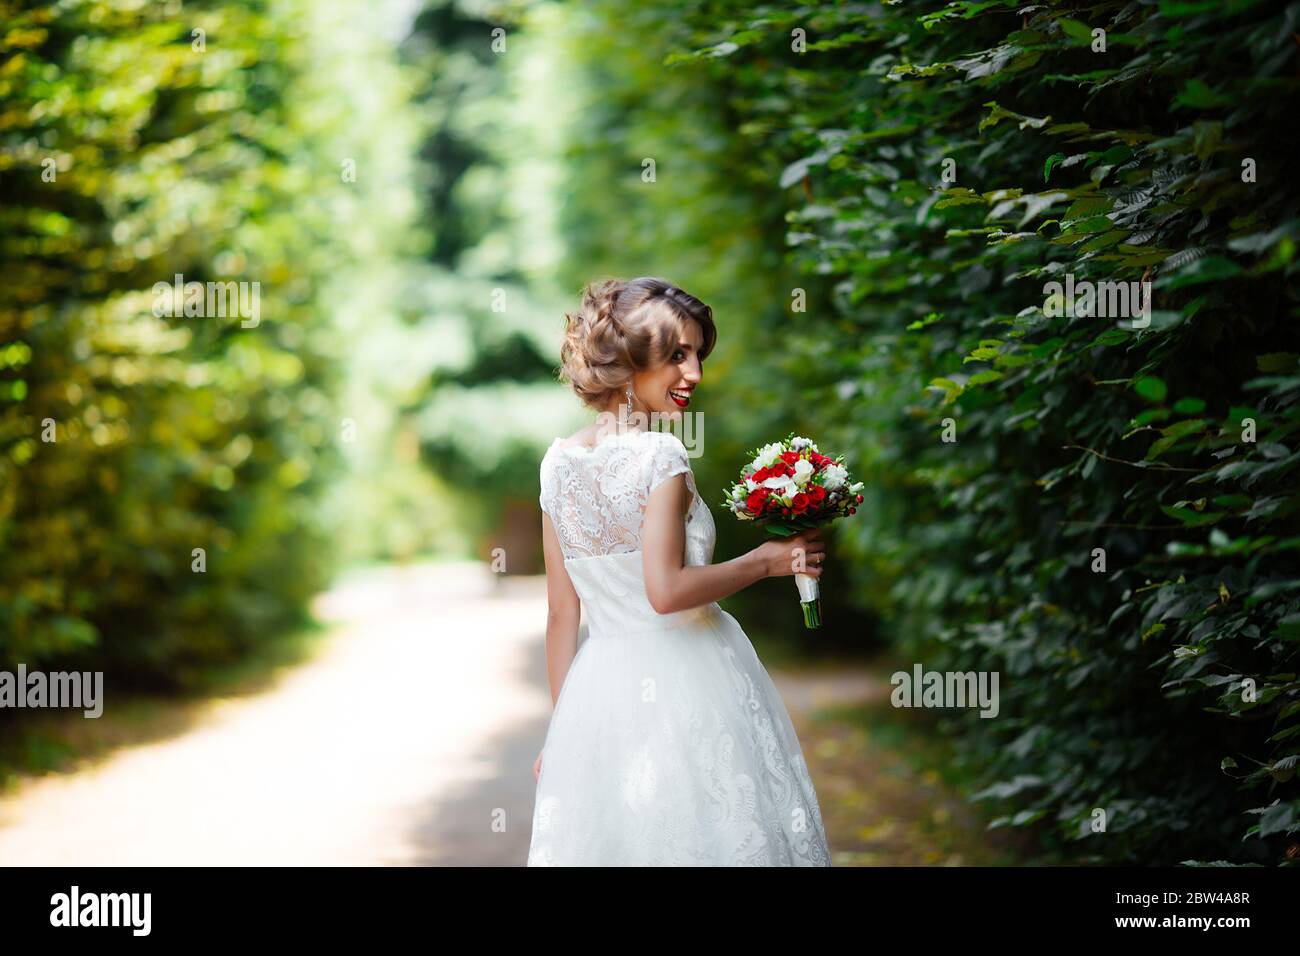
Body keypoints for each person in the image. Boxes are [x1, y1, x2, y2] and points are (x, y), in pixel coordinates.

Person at [527, 276, 832, 866]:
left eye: (697, 354)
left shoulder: (556, 465)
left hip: (598, 693)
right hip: (689, 682)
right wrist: (763, 561)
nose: (693, 373)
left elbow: (562, 616)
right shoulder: (659, 455)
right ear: (627, 359)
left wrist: (562, 735)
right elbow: (665, 593)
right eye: (676, 355)